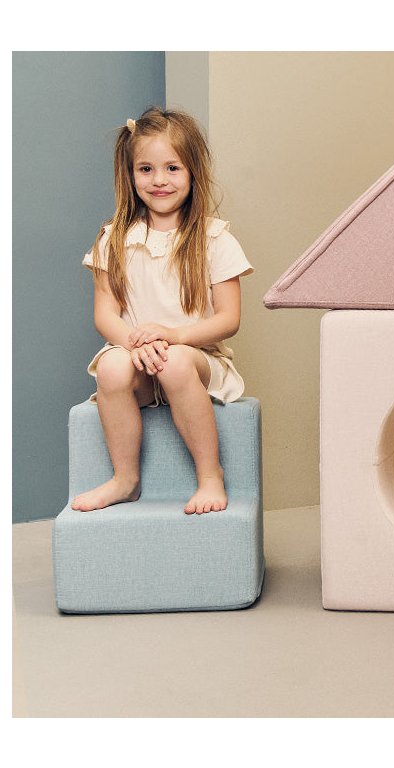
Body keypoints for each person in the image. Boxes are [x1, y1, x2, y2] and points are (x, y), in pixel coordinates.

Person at [71, 107, 253, 515]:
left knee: (173, 363)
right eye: (146, 169)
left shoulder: (214, 238)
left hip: (194, 358)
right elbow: (105, 314)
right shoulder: (114, 239)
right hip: (135, 355)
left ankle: (210, 475)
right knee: (111, 368)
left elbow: (229, 319)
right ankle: (125, 479)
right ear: (130, 174)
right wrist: (134, 343)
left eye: (172, 168)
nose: (159, 180)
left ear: (193, 172)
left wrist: (173, 337)